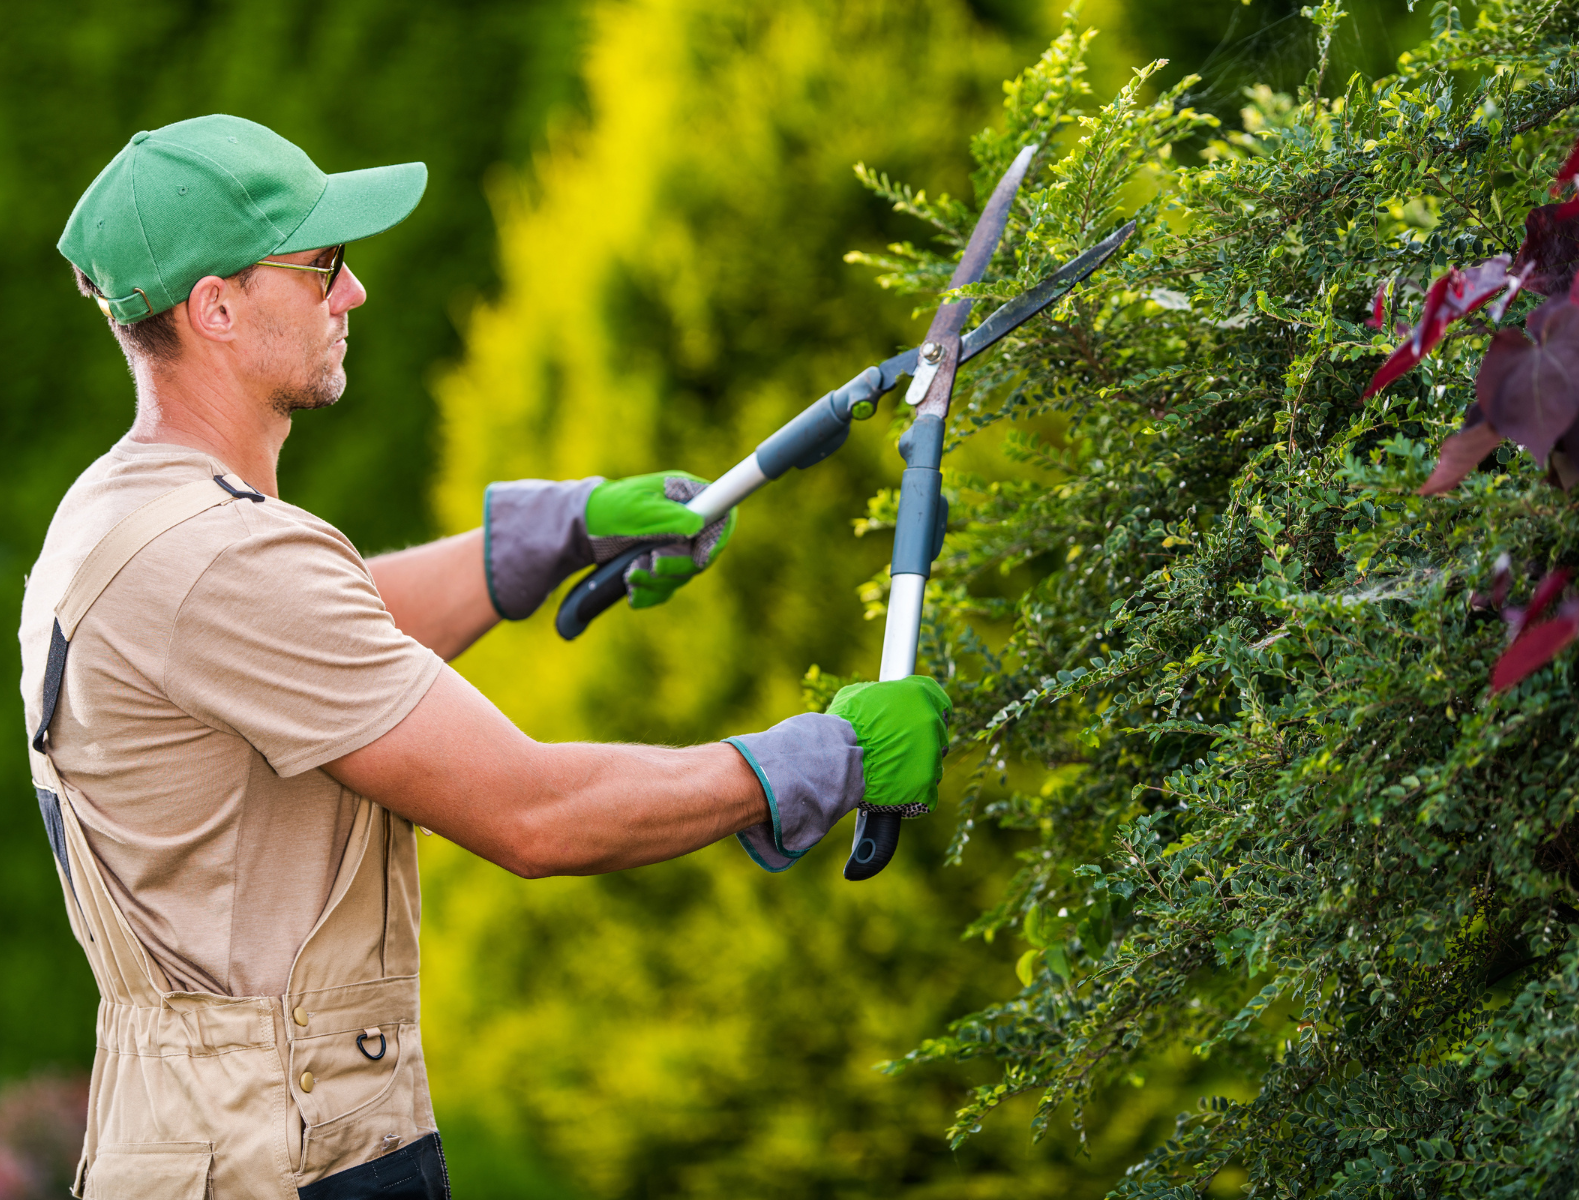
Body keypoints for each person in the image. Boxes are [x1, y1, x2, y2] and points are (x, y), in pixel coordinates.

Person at [19, 115, 951, 1200]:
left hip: (204, 1138)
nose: (352, 293)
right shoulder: (221, 557)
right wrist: (818, 761)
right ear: (215, 307)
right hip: (287, 1161)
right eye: (321, 267)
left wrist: (556, 530)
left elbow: (324, 636)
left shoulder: (125, 516)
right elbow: (534, 814)